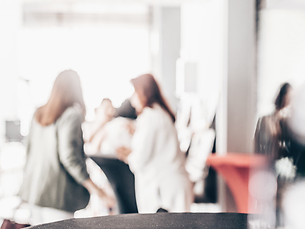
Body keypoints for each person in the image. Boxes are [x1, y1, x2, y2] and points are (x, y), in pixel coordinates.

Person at [18, 70, 115, 225]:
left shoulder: (39, 113)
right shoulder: (72, 114)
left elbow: (29, 151)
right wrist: (99, 192)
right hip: (57, 197)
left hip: (34, 194)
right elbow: (69, 156)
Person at [116, 74, 193, 213]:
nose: (132, 99)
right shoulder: (160, 114)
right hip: (174, 186)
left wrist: (127, 155)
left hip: (164, 191)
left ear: (144, 92)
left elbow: (139, 159)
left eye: (135, 92)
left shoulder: (149, 116)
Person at [254, 82, 292, 166]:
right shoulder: (265, 120)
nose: (290, 100)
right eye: (289, 96)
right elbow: (257, 145)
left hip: (277, 165)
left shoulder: (287, 122)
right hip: (264, 164)